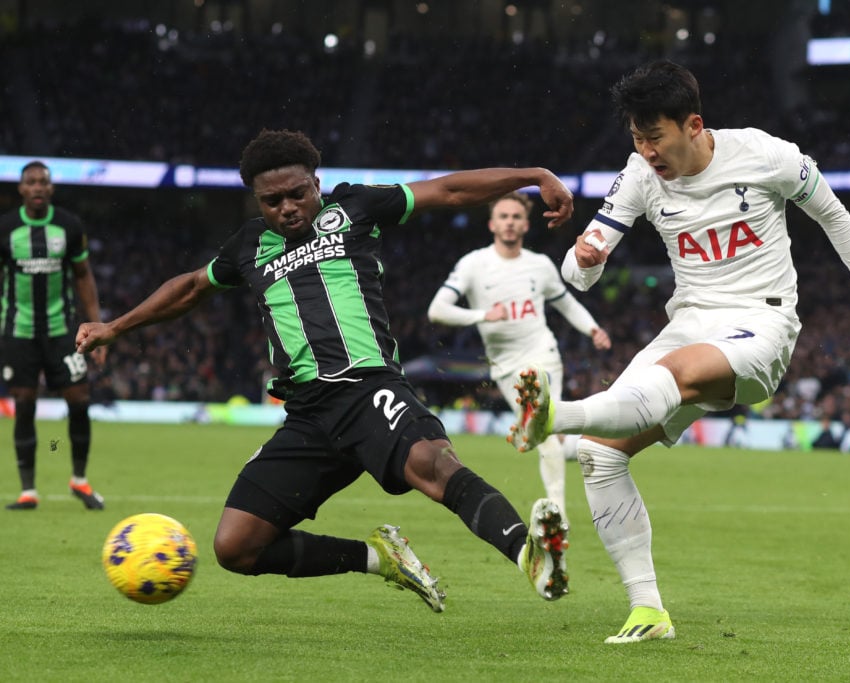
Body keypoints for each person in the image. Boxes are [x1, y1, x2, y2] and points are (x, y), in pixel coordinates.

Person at [76, 129, 572, 612]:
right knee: (236, 547)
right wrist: (114, 327)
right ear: (257, 201)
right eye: (272, 201)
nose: (287, 207)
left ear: (316, 181)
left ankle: (530, 555)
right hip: (309, 415)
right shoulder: (247, 247)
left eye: (296, 193)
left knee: (433, 465)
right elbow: (188, 288)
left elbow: (447, 189)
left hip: (368, 387)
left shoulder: (355, 207)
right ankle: (379, 558)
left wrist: (533, 175)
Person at [508, 60, 850, 643]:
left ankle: (555, 417)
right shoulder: (640, 175)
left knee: (677, 372)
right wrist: (587, 256)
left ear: (693, 124)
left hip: (761, 323)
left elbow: (831, 211)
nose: (646, 151)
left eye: (656, 137)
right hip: (690, 321)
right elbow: (577, 273)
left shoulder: (765, 154)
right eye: (636, 138)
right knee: (600, 456)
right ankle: (648, 611)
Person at [427, 191, 611, 518]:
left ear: (525, 225)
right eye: (503, 217)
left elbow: (565, 303)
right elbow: (437, 310)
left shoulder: (539, 265)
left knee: (546, 428)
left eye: (515, 217)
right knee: (548, 437)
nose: (510, 223)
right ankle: (589, 445)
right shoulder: (473, 264)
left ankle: (558, 512)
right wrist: (482, 316)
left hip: (543, 353)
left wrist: (592, 329)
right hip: (504, 366)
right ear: (492, 224)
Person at [1, 161, 107, 511]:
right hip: (19, 331)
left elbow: (82, 275)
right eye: (30, 182)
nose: (37, 188)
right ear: (21, 188)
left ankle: (80, 480)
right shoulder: (6, 228)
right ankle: (28, 491)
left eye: (43, 182)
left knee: (79, 401)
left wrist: (97, 326)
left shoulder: (68, 225)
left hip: (63, 331)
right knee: (25, 404)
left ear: (51, 188)